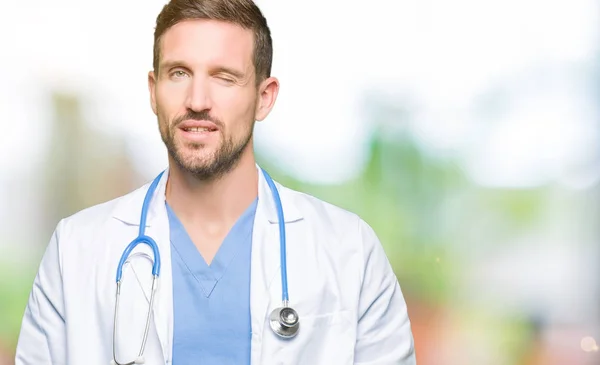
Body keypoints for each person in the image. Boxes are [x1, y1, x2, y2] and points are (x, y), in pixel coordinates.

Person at [15, 0, 416, 364]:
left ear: (265, 97)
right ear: (154, 92)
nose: (197, 99)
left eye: (224, 77)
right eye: (179, 73)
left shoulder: (349, 251)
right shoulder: (75, 251)